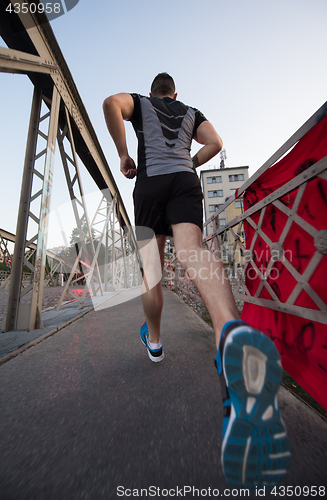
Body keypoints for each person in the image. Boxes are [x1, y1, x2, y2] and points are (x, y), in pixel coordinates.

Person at [103, 73, 290, 488]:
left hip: (149, 185)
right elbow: (217, 144)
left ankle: (154, 342)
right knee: (192, 251)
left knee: (152, 275)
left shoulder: (140, 103)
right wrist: (193, 162)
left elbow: (110, 104)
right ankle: (229, 333)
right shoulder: (192, 112)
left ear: (152, 93)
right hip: (186, 181)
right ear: (176, 93)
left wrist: (123, 156)